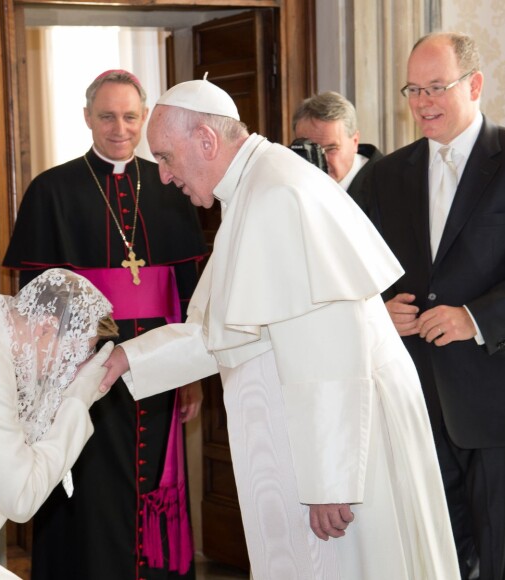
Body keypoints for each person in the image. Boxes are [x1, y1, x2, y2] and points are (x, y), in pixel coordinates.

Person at [99, 78, 461, 580]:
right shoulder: (256, 186)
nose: (162, 176)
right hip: (322, 441)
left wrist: (329, 481)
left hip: (347, 454)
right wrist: (127, 359)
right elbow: (223, 332)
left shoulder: (278, 193)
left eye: (165, 157)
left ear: (206, 140)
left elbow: (333, 342)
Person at [2, 69, 208, 580]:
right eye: (108, 116)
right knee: (89, 489)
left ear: (144, 118)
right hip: (82, 365)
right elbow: (34, 304)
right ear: (88, 117)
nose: (120, 128)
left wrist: (192, 375)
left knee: (150, 484)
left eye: (131, 116)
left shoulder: (170, 185)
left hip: (159, 362)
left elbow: (189, 291)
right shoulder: (51, 190)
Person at [365, 31, 505, 580]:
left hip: (499, 404)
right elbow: (352, 273)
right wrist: (377, 310)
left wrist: (474, 317)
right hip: (413, 401)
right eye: (413, 89)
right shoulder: (383, 175)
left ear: (475, 85)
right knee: (431, 558)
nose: (423, 102)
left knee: (502, 559)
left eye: (437, 88)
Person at [0, 268, 117, 580]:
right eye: (80, 352)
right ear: (46, 328)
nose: (73, 369)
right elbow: (21, 497)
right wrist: (77, 403)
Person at [292, 91, 382, 209]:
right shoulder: (290, 182)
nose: (320, 160)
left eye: (331, 149)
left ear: (355, 142)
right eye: (311, 150)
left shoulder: (387, 186)